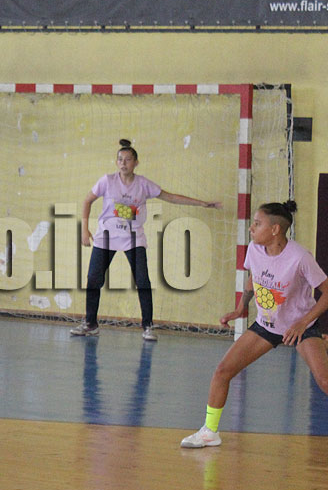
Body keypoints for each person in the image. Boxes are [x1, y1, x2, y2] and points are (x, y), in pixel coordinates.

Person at [180, 201, 328, 464]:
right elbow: (253, 279)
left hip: (300, 327)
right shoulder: (254, 248)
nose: (251, 228)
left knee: (325, 381)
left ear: (275, 229)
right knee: (222, 371)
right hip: (267, 325)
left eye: (257, 223)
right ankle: (209, 432)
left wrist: (303, 323)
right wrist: (241, 308)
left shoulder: (300, 257)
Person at [70, 138, 222, 341]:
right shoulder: (107, 181)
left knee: (142, 280)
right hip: (106, 236)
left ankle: (148, 326)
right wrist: (84, 229)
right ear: (116, 162)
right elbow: (87, 200)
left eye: (128, 159)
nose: (124, 163)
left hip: (133, 238)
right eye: (120, 159)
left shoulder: (143, 184)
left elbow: (170, 197)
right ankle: (90, 323)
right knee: (93, 279)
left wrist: (202, 203)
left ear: (136, 162)